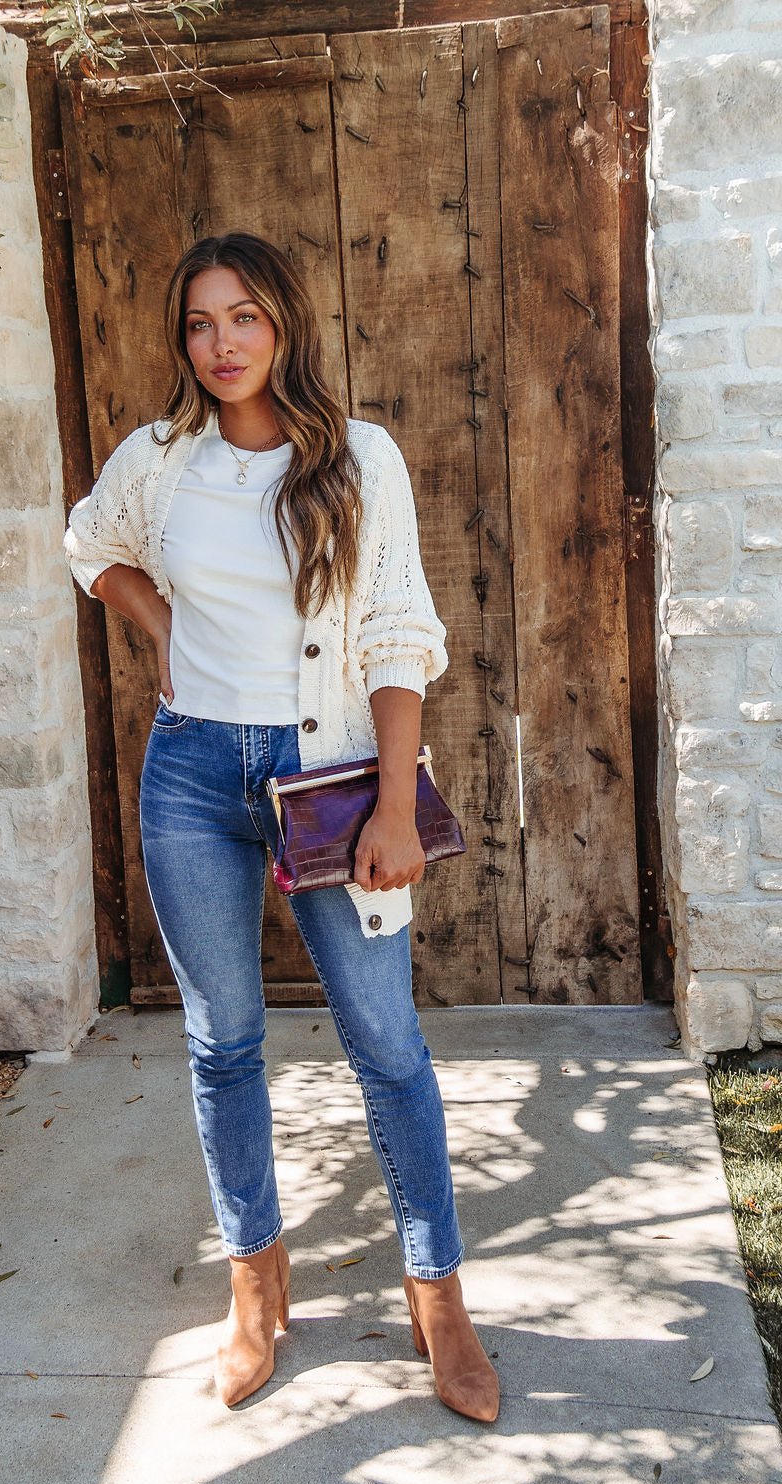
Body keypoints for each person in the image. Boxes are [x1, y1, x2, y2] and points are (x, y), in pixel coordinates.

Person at [63, 231, 499, 1422]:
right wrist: (161, 635)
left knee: (386, 1041)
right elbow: (91, 543)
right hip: (193, 775)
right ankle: (256, 1286)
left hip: (336, 776)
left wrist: (398, 802)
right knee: (222, 1041)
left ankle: (438, 1297)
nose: (222, 345)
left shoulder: (360, 459)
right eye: (201, 324)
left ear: (284, 324)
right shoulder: (160, 460)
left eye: (243, 317)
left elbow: (401, 634)